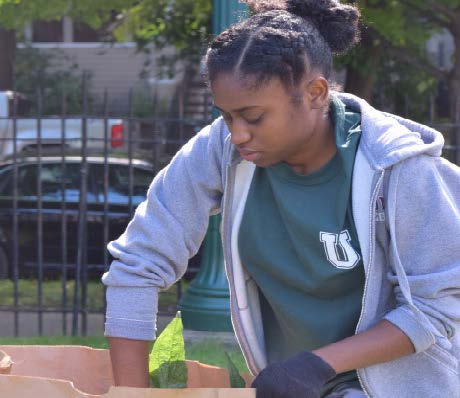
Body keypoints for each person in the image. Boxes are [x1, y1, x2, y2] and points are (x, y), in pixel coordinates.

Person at [102, 0, 460, 397]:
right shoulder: (220, 148)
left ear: (315, 93)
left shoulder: (400, 168)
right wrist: (130, 393)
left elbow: (433, 310)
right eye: (226, 116)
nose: (237, 134)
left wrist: (317, 364)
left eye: (253, 117)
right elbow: (137, 266)